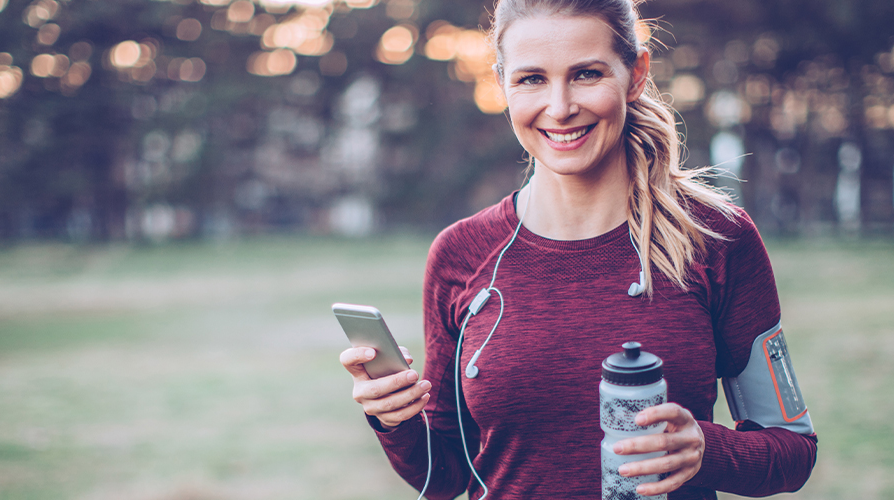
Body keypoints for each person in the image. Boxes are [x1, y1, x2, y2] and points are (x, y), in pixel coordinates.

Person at [339, 0, 818, 498]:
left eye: (586, 74)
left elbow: (793, 450)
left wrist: (707, 451)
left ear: (635, 74)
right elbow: (443, 479)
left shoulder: (716, 237)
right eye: (531, 79)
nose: (561, 106)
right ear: (503, 84)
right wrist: (392, 419)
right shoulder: (461, 254)